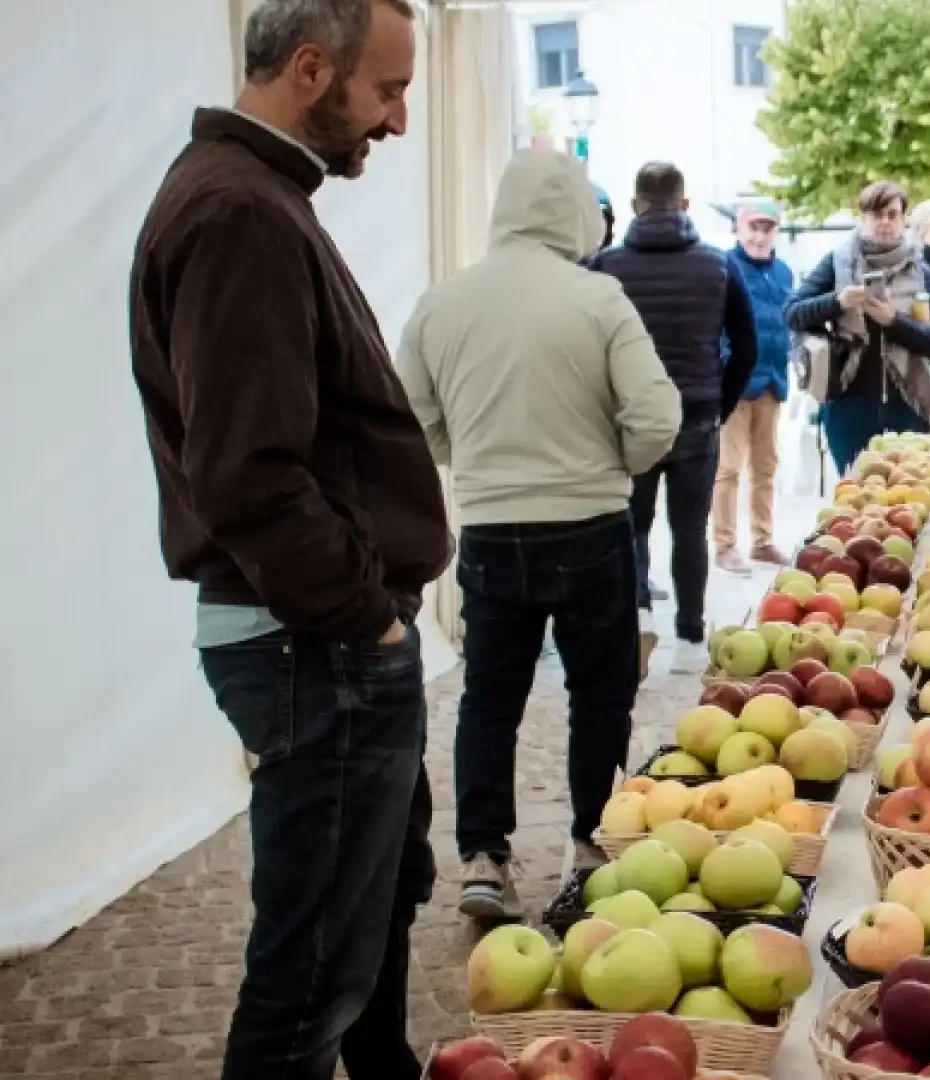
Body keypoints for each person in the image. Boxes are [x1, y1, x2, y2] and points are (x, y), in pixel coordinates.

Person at [127, 1, 446, 1076]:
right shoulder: (240, 214)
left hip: (323, 640)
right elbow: (249, 472)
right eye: (388, 91)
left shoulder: (260, 198)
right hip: (314, 645)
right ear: (311, 69)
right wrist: (367, 623)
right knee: (312, 978)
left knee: (371, 925)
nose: (398, 121)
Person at [394, 149, 682, 919]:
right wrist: (609, 465)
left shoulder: (441, 303)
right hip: (589, 523)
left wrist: (475, 462)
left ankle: (484, 858)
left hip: (490, 526)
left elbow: (413, 419)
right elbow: (657, 416)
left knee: (490, 697)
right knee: (601, 693)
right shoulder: (598, 298)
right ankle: (592, 843)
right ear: (576, 216)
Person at [589, 162, 757, 655]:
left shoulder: (606, 267)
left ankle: (636, 620)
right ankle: (689, 626)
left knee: (630, 524)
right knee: (690, 530)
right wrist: (719, 404)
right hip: (697, 415)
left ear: (634, 204)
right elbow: (745, 348)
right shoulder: (719, 265)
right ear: (685, 205)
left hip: (630, 416)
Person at [787, 181, 930, 473]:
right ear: (862, 218)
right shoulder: (836, 263)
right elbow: (792, 313)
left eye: (892, 214)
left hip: (909, 404)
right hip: (849, 401)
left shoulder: (920, 269)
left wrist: (893, 322)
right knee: (853, 498)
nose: (885, 223)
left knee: (910, 495)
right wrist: (838, 301)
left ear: (904, 219)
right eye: (877, 214)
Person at [714, 199, 797, 574]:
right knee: (728, 468)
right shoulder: (723, 268)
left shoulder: (784, 273)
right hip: (735, 384)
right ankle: (725, 545)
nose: (760, 235)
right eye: (754, 227)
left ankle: (762, 542)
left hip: (772, 382)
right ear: (739, 229)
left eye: (768, 228)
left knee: (766, 468)